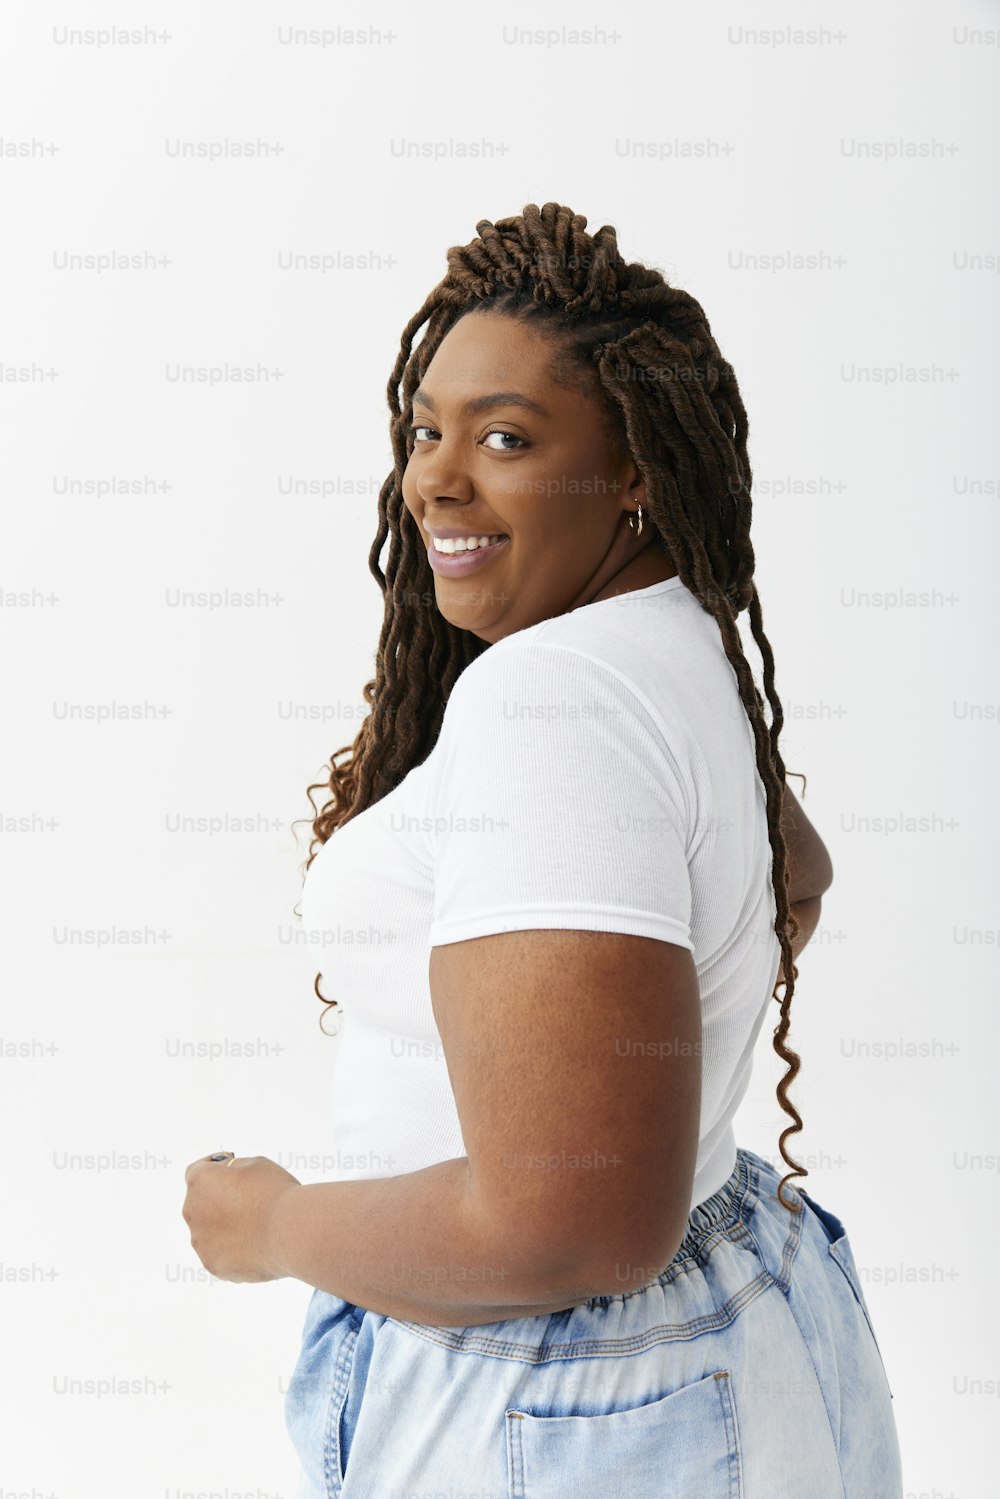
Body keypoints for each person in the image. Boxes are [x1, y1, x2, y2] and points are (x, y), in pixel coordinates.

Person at [183, 202, 904, 1496]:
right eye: (426, 430)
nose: (437, 478)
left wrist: (278, 1225)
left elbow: (570, 1217)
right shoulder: (671, 641)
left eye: (507, 437)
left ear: (633, 471)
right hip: (729, 1321)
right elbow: (795, 873)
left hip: (560, 1401)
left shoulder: (551, 700)